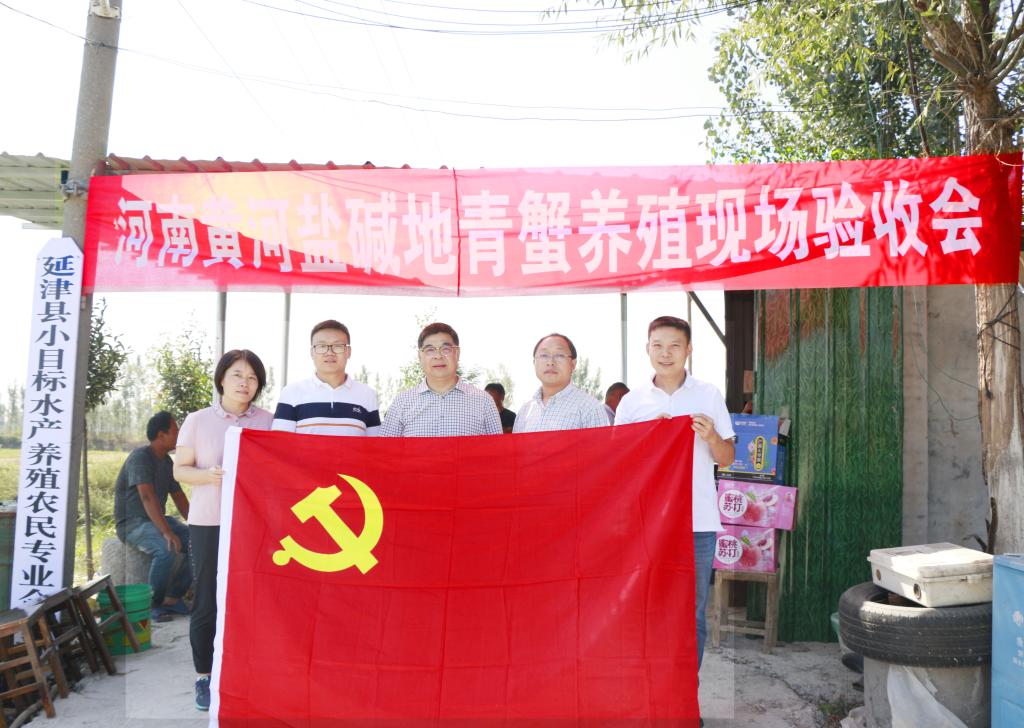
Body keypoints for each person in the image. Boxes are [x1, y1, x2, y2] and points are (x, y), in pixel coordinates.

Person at [614, 315, 735, 685]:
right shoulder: (632, 402)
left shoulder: (708, 395)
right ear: (647, 349)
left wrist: (712, 436)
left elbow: (728, 458)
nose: (665, 353)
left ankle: (683, 691)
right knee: (647, 608)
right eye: (658, 346)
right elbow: (619, 463)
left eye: (674, 346)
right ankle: (648, 689)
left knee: (692, 613)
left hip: (698, 522)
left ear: (689, 350)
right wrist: (649, 437)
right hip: (647, 524)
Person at [173, 350, 273, 712]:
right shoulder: (198, 420)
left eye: (252, 377)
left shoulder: (268, 421)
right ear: (221, 379)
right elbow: (180, 470)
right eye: (237, 375)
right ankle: (204, 675)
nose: (245, 383)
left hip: (254, 523)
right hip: (210, 521)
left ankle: (248, 669)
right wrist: (208, 476)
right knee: (207, 599)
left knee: (253, 597)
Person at [113, 411, 192, 623]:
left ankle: (172, 598)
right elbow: (147, 496)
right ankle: (152, 605)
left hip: (155, 520)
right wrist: (166, 531)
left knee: (199, 543)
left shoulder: (167, 462)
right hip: (131, 524)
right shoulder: (140, 457)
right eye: (175, 431)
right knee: (165, 549)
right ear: (161, 435)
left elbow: (179, 496)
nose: (179, 436)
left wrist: (197, 525)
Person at [380, 322, 501, 437]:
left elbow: (498, 449)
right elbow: (385, 449)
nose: (438, 356)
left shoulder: (484, 401)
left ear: (457, 353)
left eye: (445, 349)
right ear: (420, 356)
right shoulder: (402, 402)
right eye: (430, 350)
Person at [272, 319, 380, 436]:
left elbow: (374, 444)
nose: (329, 352)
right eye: (322, 346)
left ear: (348, 352)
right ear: (312, 352)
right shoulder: (291, 393)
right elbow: (280, 443)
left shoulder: (367, 394)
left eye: (337, 346)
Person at [513, 333, 608, 433]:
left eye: (559, 355)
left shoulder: (590, 408)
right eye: (544, 355)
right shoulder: (525, 411)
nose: (550, 362)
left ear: (573, 364)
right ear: (534, 363)